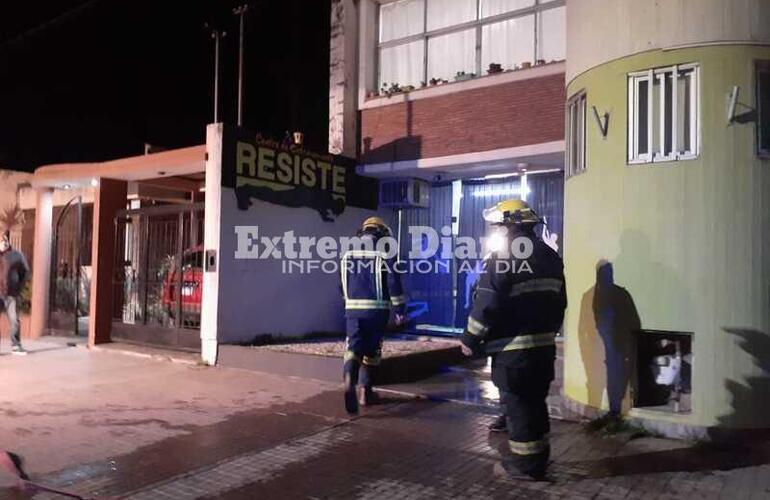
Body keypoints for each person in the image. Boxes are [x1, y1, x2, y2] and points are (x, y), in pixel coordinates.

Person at [461, 200, 566, 480]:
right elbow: (560, 303)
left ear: (511, 225)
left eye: (498, 226)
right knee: (536, 404)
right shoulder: (550, 256)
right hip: (543, 350)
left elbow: (486, 304)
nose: (497, 231)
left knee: (519, 408)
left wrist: (469, 339)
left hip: (513, 352)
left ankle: (525, 466)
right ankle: (539, 459)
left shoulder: (503, 258)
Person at [340, 217, 406, 415]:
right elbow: (394, 282)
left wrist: (348, 303)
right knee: (372, 352)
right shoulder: (385, 252)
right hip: (377, 311)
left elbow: (341, 284)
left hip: (352, 309)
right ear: (382, 232)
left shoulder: (347, 253)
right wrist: (400, 310)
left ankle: (349, 378)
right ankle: (365, 393)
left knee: (353, 348)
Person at [0, 230, 30, 355]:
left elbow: (25, 271)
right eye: (1, 240)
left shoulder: (17, 255)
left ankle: (16, 345)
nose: (3, 242)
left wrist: (19, 286)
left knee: (14, 320)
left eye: (4, 240)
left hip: (12, 293)